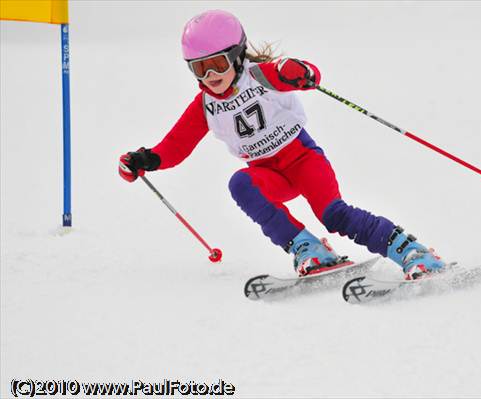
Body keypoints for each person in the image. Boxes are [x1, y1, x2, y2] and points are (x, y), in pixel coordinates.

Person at [118, 9, 445, 279]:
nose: (210, 76)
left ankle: (412, 252)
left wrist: (299, 71)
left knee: (335, 215)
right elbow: (175, 146)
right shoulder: (205, 105)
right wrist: (144, 160)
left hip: (303, 160)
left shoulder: (260, 75)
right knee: (240, 183)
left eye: (217, 64)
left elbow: (301, 74)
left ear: (236, 55)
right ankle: (308, 249)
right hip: (267, 173)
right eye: (199, 68)